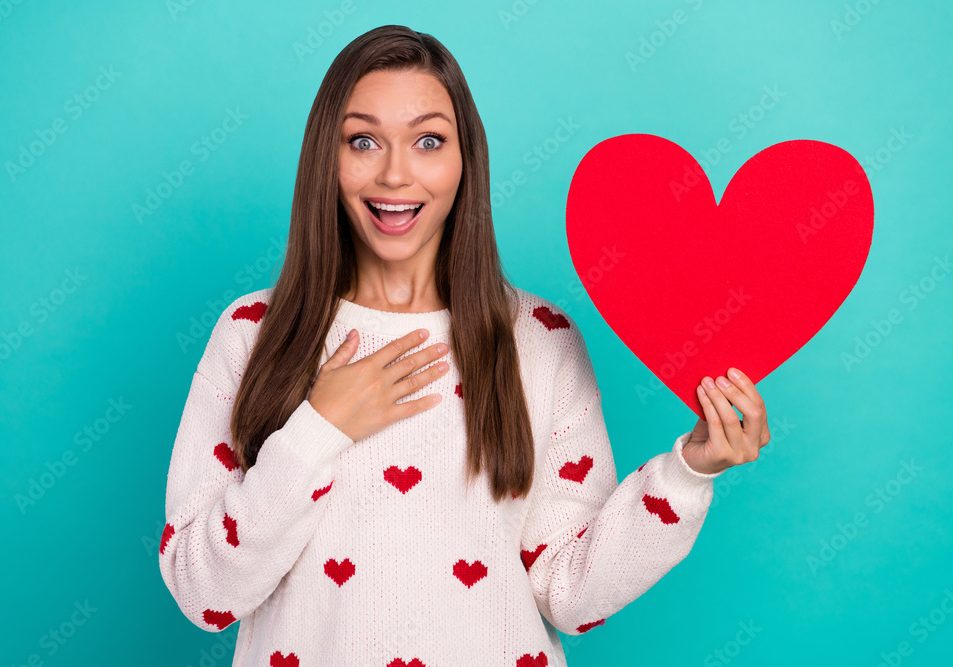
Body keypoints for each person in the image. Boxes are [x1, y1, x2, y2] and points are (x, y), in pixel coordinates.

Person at [158, 24, 771, 667]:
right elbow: (205, 596)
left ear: (464, 160)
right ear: (325, 159)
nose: (395, 173)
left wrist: (690, 470)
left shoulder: (540, 339)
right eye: (362, 141)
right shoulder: (255, 331)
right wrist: (318, 427)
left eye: (428, 141)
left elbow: (570, 592)